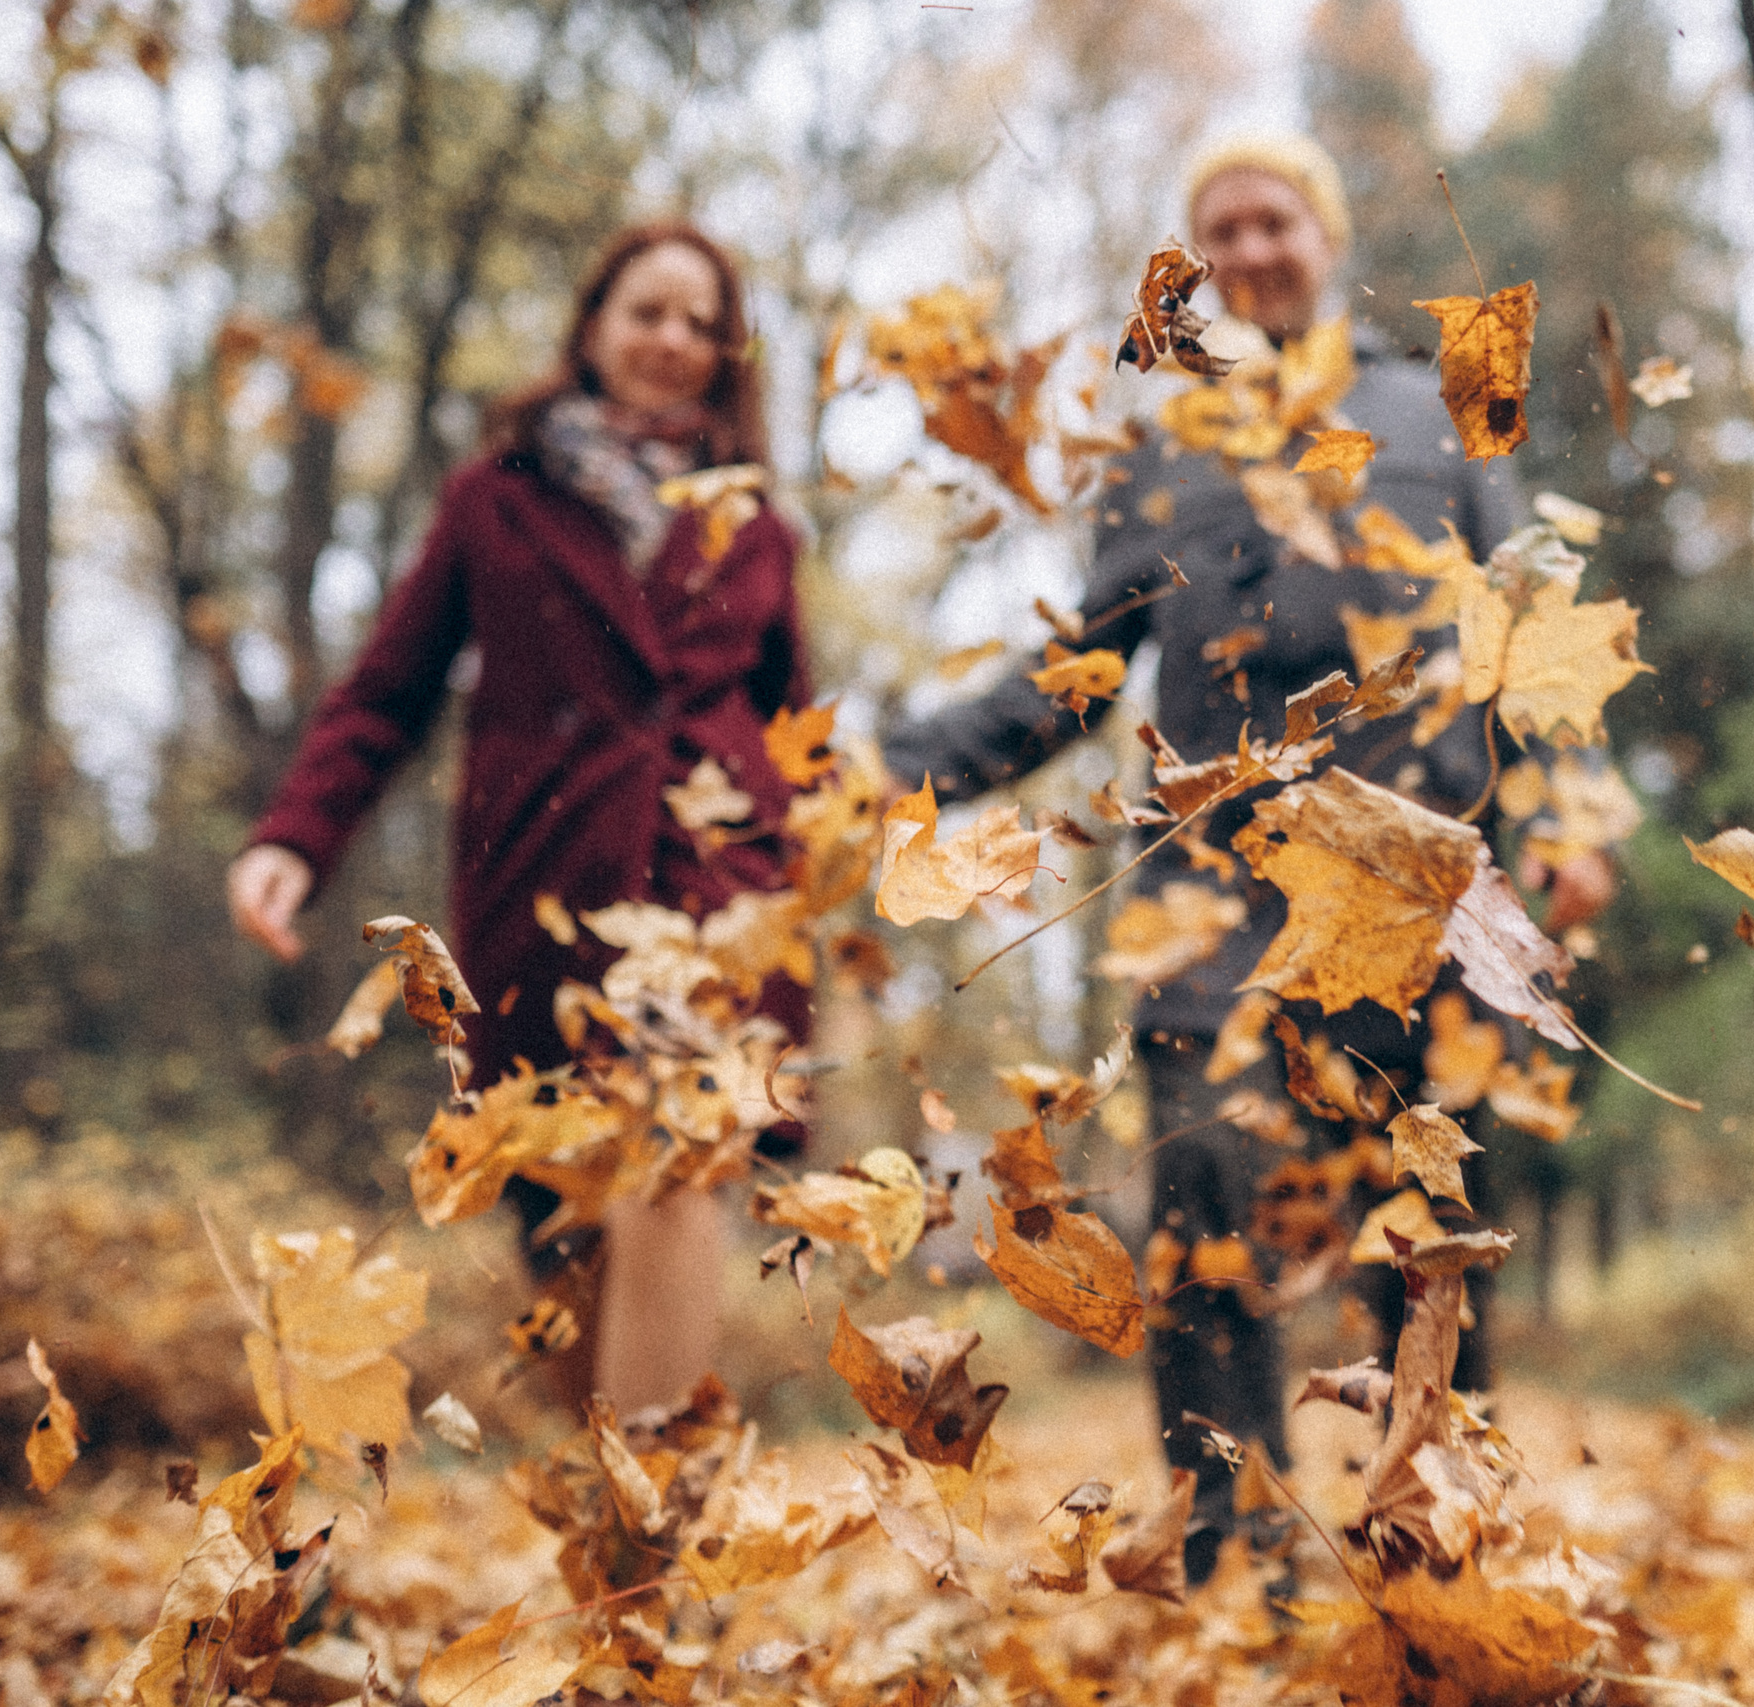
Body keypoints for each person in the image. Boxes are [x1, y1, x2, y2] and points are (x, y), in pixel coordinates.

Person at [881, 135, 1611, 1580]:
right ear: (1197, 270)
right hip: (1214, 898)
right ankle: (1228, 1538)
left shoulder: (1444, 401)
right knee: (1210, 1187)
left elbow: (1524, 629)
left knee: (1428, 1213)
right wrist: (898, 765)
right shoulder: (1161, 453)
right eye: (1221, 229)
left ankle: (1433, 1525)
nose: (1254, 245)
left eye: (1276, 216)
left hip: (1422, 884)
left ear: (1324, 235)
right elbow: (1072, 674)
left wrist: (1575, 809)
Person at [228, 222, 812, 1416]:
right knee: (566, 1241)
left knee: (675, 1156)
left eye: (702, 323)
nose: (672, 340)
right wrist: (296, 837)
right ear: (593, 324)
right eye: (647, 310)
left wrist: (813, 906)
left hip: (713, 891)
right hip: (543, 887)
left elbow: (793, 728)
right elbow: (389, 689)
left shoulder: (756, 528)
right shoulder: (494, 501)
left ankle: (652, 1536)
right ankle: (602, 1542)